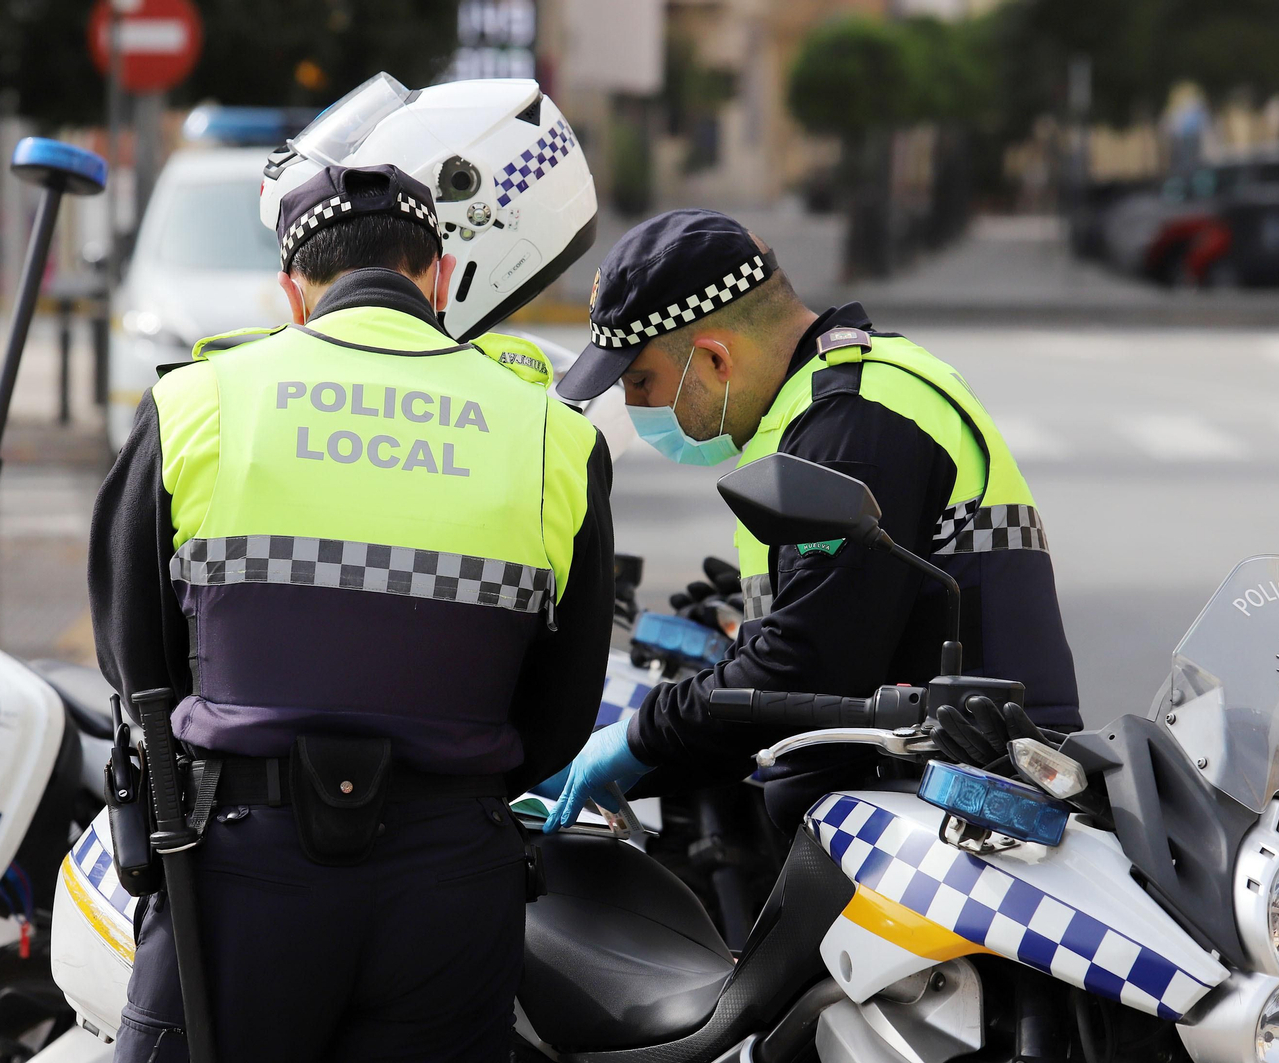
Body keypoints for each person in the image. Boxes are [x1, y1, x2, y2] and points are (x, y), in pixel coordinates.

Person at [88, 159, 615, 1059]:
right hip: (450, 878)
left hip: (242, 873)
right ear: (440, 280)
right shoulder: (553, 435)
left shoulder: (198, 401)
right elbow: (564, 707)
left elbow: (136, 661)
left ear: (293, 292)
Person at [543, 208, 1080, 832]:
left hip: (959, 812)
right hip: (917, 793)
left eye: (641, 381)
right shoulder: (834, 397)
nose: (634, 405)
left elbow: (806, 666)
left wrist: (639, 741)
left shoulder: (853, 426)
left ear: (715, 360)